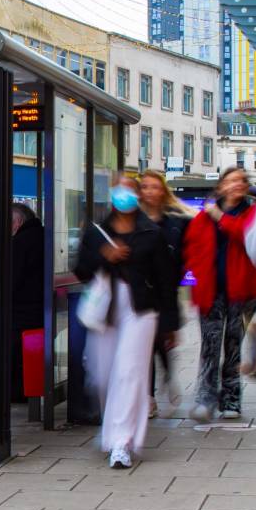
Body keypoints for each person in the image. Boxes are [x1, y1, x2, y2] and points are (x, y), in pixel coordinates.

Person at [75, 176, 178, 469]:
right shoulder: (97, 232)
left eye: (132, 189)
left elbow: (165, 280)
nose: (126, 194)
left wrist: (170, 324)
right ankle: (113, 428)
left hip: (141, 309)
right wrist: (105, 256)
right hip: (106, 308)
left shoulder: (151, 232)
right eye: (121, 188)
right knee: (103, 373)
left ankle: (122, 442)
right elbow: (81, 269)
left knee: (129, 372)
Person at [184, 167, 256, 422]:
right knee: (209, 346)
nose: (236, 185)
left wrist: (220, 217)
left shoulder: (254, 214)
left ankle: (230, 399)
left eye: (241, 181)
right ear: (221, 186)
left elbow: (247, 237)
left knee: (233, 346)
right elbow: (192, 247)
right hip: (212, 290)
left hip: (243, 292)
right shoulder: (204, 217)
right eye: (231, 180)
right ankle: (205, 398)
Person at [139, 170, 190, 417]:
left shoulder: (175, 221)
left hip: (166, 291)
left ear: (163, 191)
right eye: (145, 187)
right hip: (140, 293)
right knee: (145, 346)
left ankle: (168, 375)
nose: (149, 191)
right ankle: (148, 397)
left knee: (162, 341)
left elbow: (185, 253)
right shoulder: (133, 219)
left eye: (154, 187)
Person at [10, 203, 45, 402]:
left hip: (22, 312)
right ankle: (31, 391)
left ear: (17, 222)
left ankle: (20, 393)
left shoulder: (20, 242)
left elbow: (12, 279)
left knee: (15, 354)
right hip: (39, 309)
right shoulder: (42, 235)